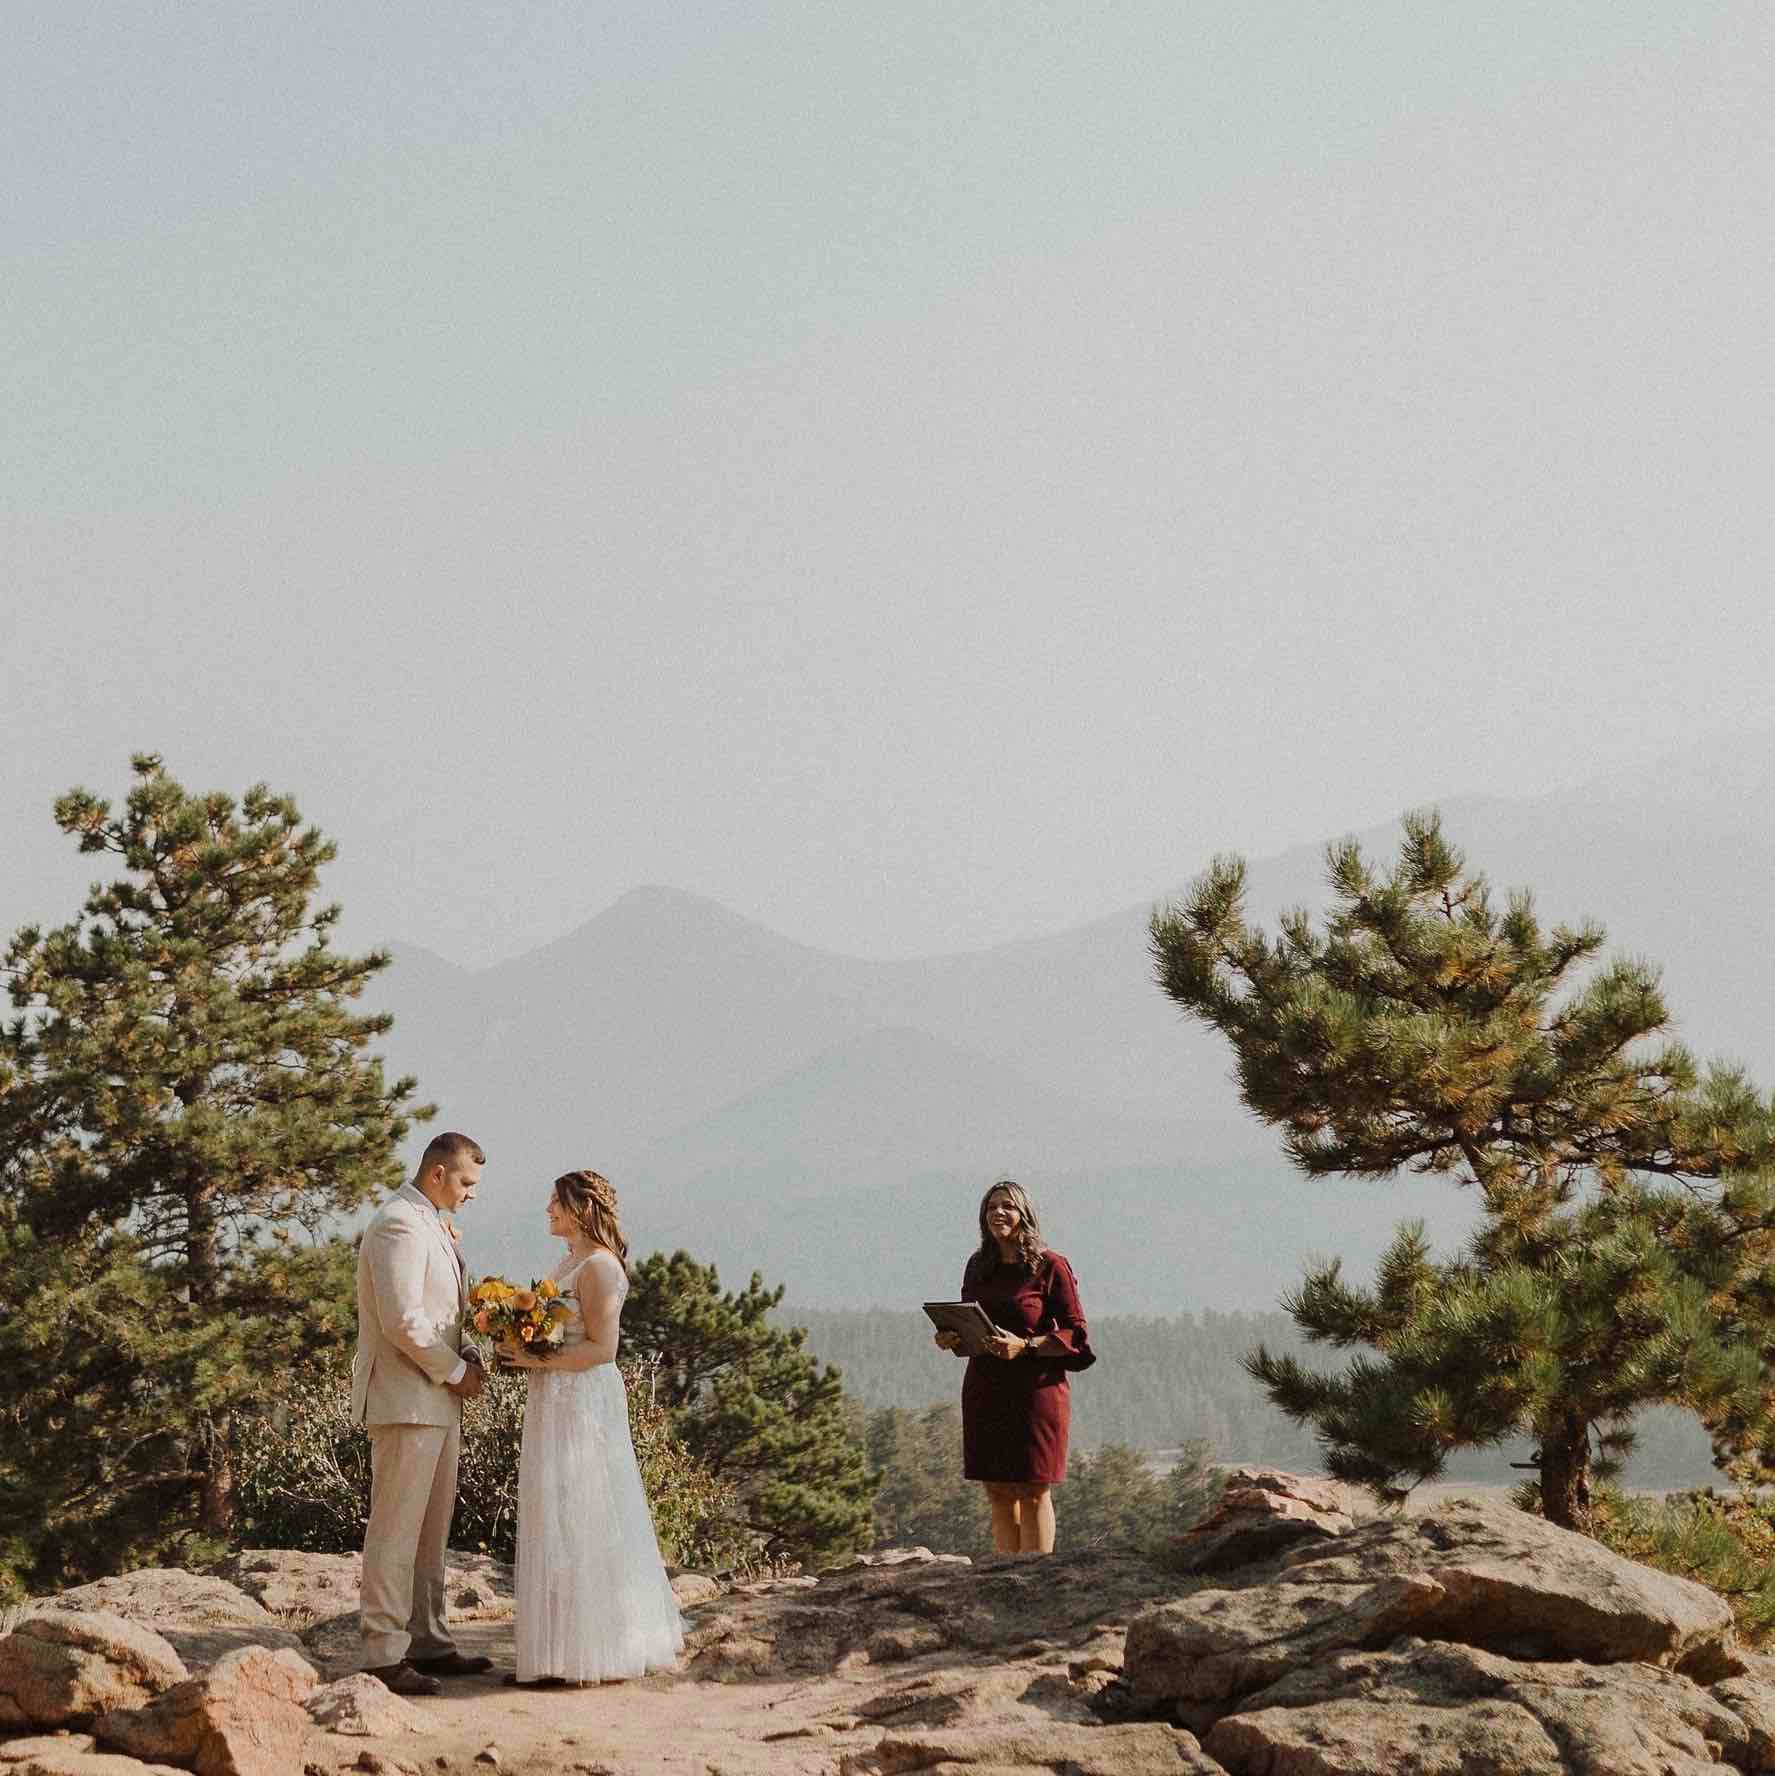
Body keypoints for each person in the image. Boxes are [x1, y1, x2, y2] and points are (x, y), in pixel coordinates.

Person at [497, 1169, 685, 1687]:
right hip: (554, 1398)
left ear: (580, 1208)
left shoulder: (600, 1267)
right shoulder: (568, 1261)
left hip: (581, 1402)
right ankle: (557, 1648)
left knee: (585, 1509)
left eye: (555, 1202)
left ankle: (595, 1648)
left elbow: (604, 1350)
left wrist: (534, 1358)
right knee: (554, 1510)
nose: (548, 1210)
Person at [352, 1131, 495, 1696]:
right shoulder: (398, 1223)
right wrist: (459, 1373)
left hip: (437, 1400)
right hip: (405, 1399)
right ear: (438, 1174)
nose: (471, 1194)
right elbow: (403, 1320)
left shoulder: (431, 1222)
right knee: (395, 1528)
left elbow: (447, 1314)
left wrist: (473, 1353)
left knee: (431, 1531)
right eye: (467, 1182)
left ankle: (428, 1639)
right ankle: (383, 1654)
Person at [934, 1179, 1094, 1554]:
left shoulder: (1050, 1266)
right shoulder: (978, 1266)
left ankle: (1036, 1580)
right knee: (998, 1490)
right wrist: (952, 1337)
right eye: (991, 1208)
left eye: (1007, 1206)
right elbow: (971, 1321)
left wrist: (1024, 1346)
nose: (998, 1213)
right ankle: (1004, 1577)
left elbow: (1077, 1333)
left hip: (1036, 1391)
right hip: (985, 1388)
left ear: (1025, 1215)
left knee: (1034, 1488)